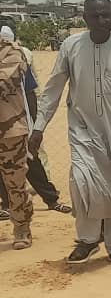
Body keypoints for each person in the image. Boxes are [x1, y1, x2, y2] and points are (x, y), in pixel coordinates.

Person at [29, 0, 111, 265]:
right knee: (82, 183)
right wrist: (39, 127)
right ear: (84, 18)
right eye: (95, 16)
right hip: (83, 131)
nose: (102, 21)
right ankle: (87, 240)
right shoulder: (71, 46)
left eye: (107, 15)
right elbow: (53, 89)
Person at [0, 26, 72, 215]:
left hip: (16, 123)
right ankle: (6, 206)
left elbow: (30, 92)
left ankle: (51, 199)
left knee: (31, 161)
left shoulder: (18, 58)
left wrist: (34, 123)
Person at [0, 31, 34, 249]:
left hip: (8, 130)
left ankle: (22, 227)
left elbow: (4, 84)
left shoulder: (11, 52)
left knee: (15, 182)